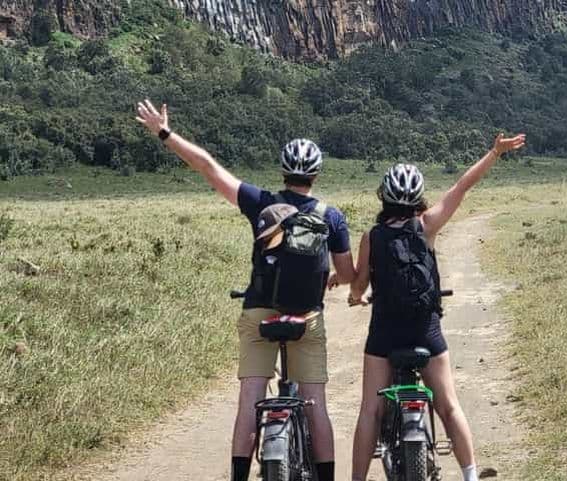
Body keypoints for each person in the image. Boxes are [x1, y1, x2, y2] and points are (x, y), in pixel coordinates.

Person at [135, 99, 355, 481]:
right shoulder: (330, 216)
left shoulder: (262, 202)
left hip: (259, 313)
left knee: (250, 398)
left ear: (283, 172)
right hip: (306, 317)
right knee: (316, 403)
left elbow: (207, 166)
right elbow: (349, 273)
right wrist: (335, 280)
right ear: (316, 175)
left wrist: (164, 132)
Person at [346, 133, 526, 481]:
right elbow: (462, 186)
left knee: (370, 410)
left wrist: (357, 296)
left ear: (384, 195)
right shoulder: (427, 226)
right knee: (448, 405)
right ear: (418, 198)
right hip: (426, 330)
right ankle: (470, 475)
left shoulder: (372, 237)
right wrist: (494, 152)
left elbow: (358, 286)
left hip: (384, 333)